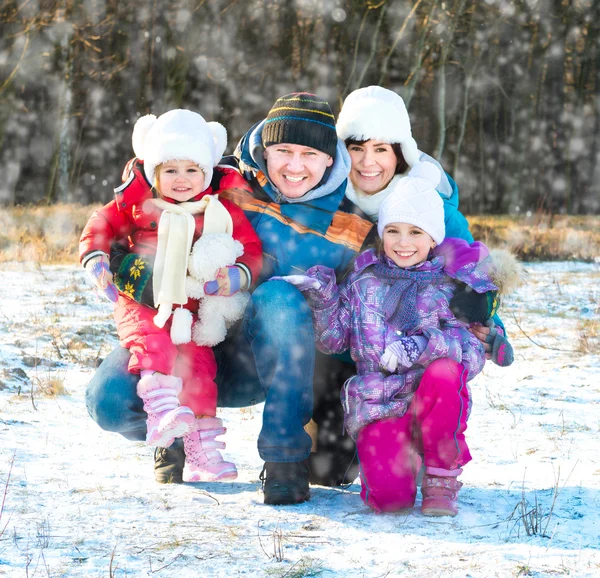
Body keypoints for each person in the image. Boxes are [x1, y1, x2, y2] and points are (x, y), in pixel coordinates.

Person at [84, 93, 377, 504]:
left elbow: (407, 269)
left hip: (268, 360)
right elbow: (150, 183)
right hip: (176, 332)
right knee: (109, 402)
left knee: (279, 295)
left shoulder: (353, 224)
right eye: (283, 151)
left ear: (330, 159)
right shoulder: (226, 183)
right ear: (263, 150)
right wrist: (122, 262)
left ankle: (285, 458)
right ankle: (176, 427)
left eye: (309, 153)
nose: (295, 166)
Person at [275, 163, 497, 516]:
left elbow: (469, 351)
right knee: (389, 503)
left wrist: (419, 347)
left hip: (430, 397)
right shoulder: (364, 281)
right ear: (382, 233)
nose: (403, 243)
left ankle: (440, 472)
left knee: (444, 371)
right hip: (379, 402)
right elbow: (334, 340)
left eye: (415, 232)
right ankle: (401, 457)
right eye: (393, 231)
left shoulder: (450, 285)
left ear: (433, 238)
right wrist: (323, 295)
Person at [80, 110, 263, 483]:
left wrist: (237, 274)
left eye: (192, 170)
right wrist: (97, 257)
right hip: (144, 298)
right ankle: (160, 407)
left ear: (207, 173)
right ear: (154, 172)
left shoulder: (219, 210)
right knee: (155, 343)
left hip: (192, 308)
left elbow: (250, 248)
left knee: (199, 367)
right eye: (171, 170)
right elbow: (99, 224)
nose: (181, 180)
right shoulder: (136, 204)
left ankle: (202, 450)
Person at [336, 85, 512, 363]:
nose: (367, 161)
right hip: (347, 343)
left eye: (380, 149)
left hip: (416, 352)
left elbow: (468, 269)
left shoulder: (430, 206)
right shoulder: (329, 202)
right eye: (357, 148)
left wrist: (489, 321)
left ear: (400, 153)